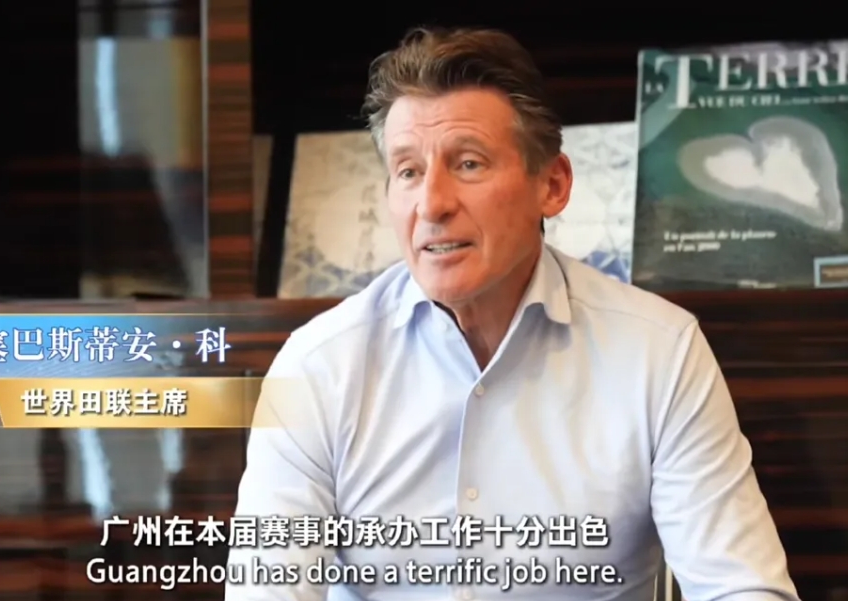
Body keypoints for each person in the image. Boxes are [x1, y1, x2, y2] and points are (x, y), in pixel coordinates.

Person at [228, 27, 798, 601]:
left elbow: (741, 586)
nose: (432, 204)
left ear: (552, 184)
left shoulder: (659, 352)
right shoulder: (318, 366)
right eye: (408, 172)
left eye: (468, 163)